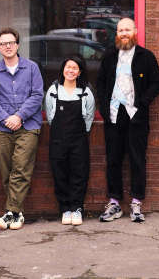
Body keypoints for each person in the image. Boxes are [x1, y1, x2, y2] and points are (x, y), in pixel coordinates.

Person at [97, 17, 159, 224]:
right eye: (120, 30)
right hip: (113, 116)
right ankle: (114, 203)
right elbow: (100, 84)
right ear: (116, 34)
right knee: (113, 160)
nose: (124, 33)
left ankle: (136, 203)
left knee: (137, 160)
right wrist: (104, 109)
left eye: (127, 30)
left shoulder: (146, 56)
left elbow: (157, 83)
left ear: (135, 32)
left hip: (136, 117)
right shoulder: (109, 56)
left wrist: (142, 103)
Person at [0, 28, 44, 230]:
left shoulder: (32, 68)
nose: (7, 46)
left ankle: (11, 212)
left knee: (20, 168)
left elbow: (37, 95)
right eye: (3, 44)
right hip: (3, 128)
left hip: (28, 126)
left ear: (17, 45)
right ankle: (17, 214)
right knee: (6, 172)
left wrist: (19, 116)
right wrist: (6, 118)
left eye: (11, 42)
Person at [45, 56, 96, 226]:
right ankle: (65, 209)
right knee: (60, 173)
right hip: (57, 140)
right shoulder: (53, 90)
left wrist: (80, 133)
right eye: (68, 67)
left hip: (79, 139)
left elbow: (89, 117)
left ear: (79, 72)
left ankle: (77, 208)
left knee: (79, 173)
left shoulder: (85, 91)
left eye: (75, 68)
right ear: (63, 69)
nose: (71, 71)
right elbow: (50, 116)